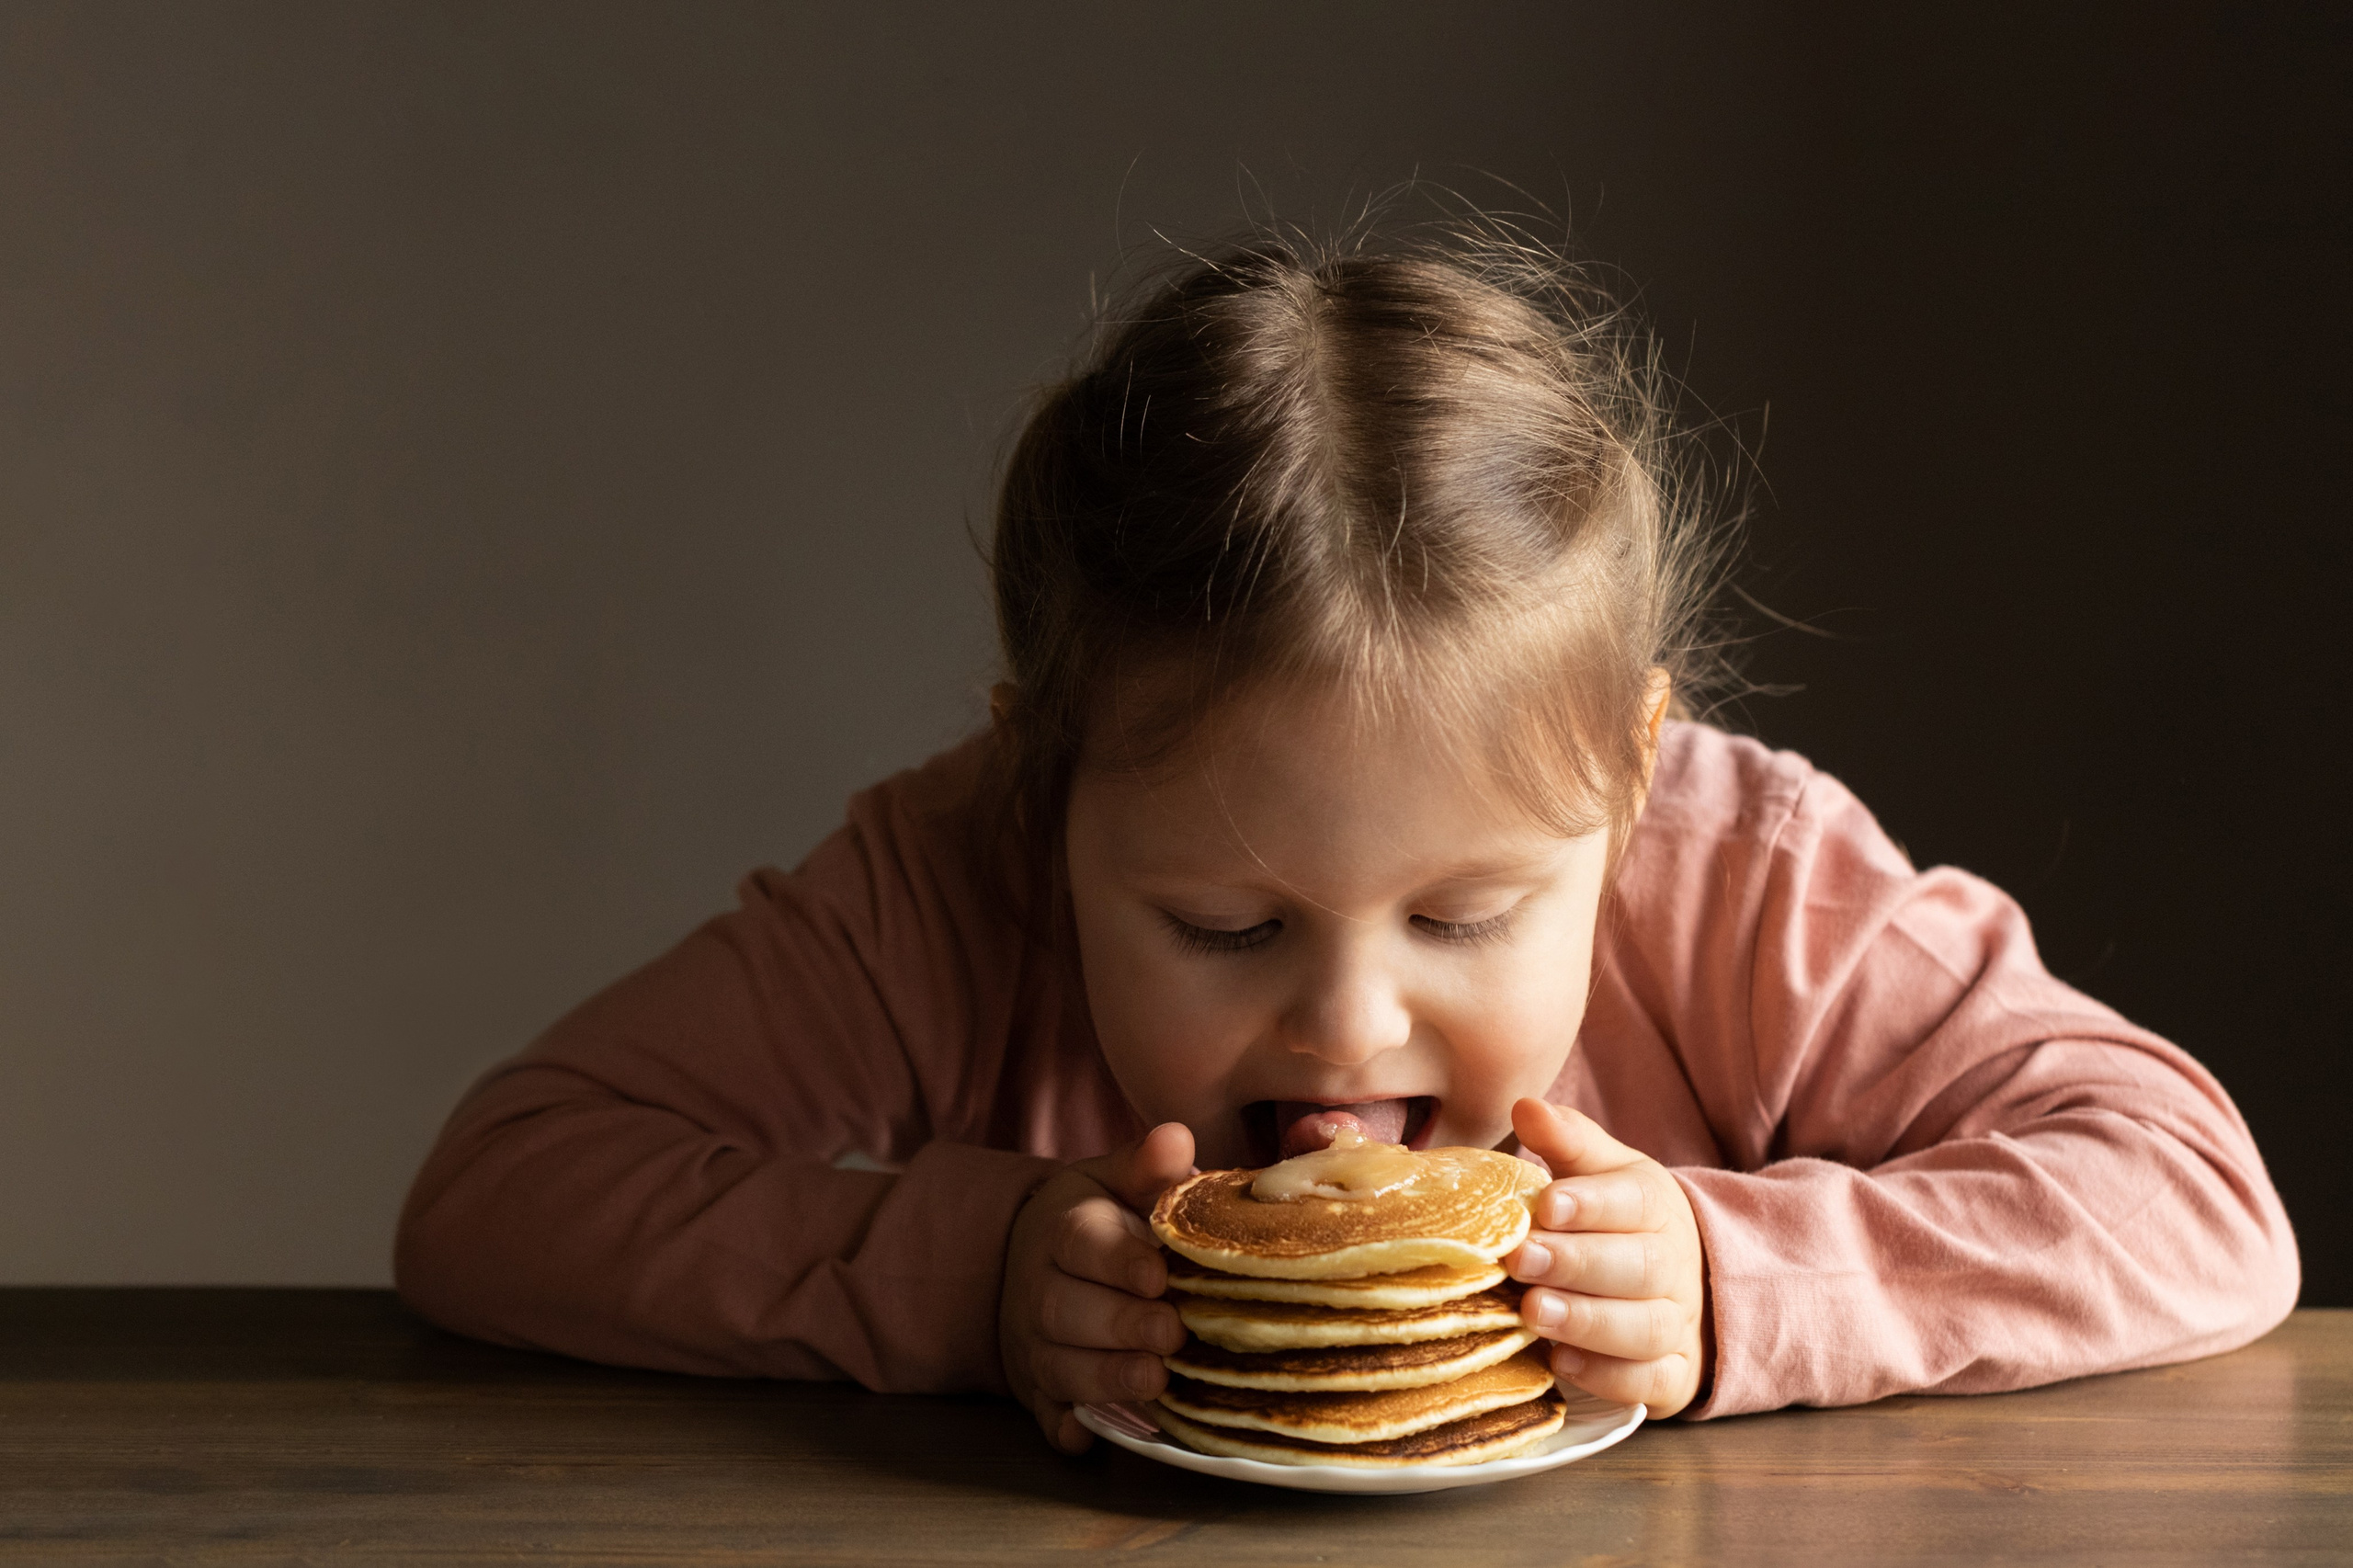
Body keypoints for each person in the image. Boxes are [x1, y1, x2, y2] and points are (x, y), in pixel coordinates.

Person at [393, 226, 2299, 1450]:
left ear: (1624, 783)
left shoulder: (1731, 874)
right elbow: (501, 1193)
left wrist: (1738, 1287)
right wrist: (959, 1276)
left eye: (1466, 913)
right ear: (1044, 790)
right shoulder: (951, 878)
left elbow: (2194, 1200)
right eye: (1223, 925)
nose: (1344, 1027)